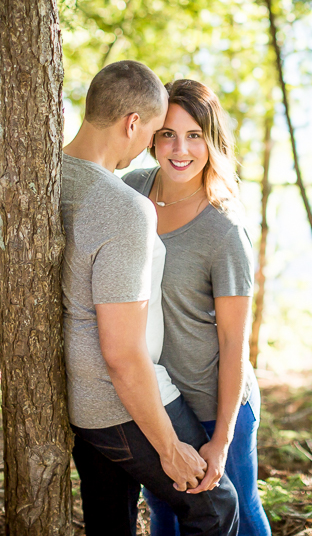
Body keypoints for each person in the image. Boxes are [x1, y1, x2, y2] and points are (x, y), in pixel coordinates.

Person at [61, 61, 239, 536]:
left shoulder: (49, 178)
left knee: (110, 521)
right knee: (215, 507)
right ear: (133, 124)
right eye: (160, 133)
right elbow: (121, 353)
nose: (162, 148)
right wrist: (167, 445)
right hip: (119, 399)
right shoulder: (125, 203)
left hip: (76, 392)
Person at [123, 79, 271, 536]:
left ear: (212, 140)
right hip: (158, 398)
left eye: (194, 135)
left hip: (214, 403)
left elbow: (233, 341)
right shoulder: (131, 191)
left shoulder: (224, 230)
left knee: (237, 513)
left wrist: (222, 439)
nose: (179, 148)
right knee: (165, 511)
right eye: (167, 133)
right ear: (150, 135)